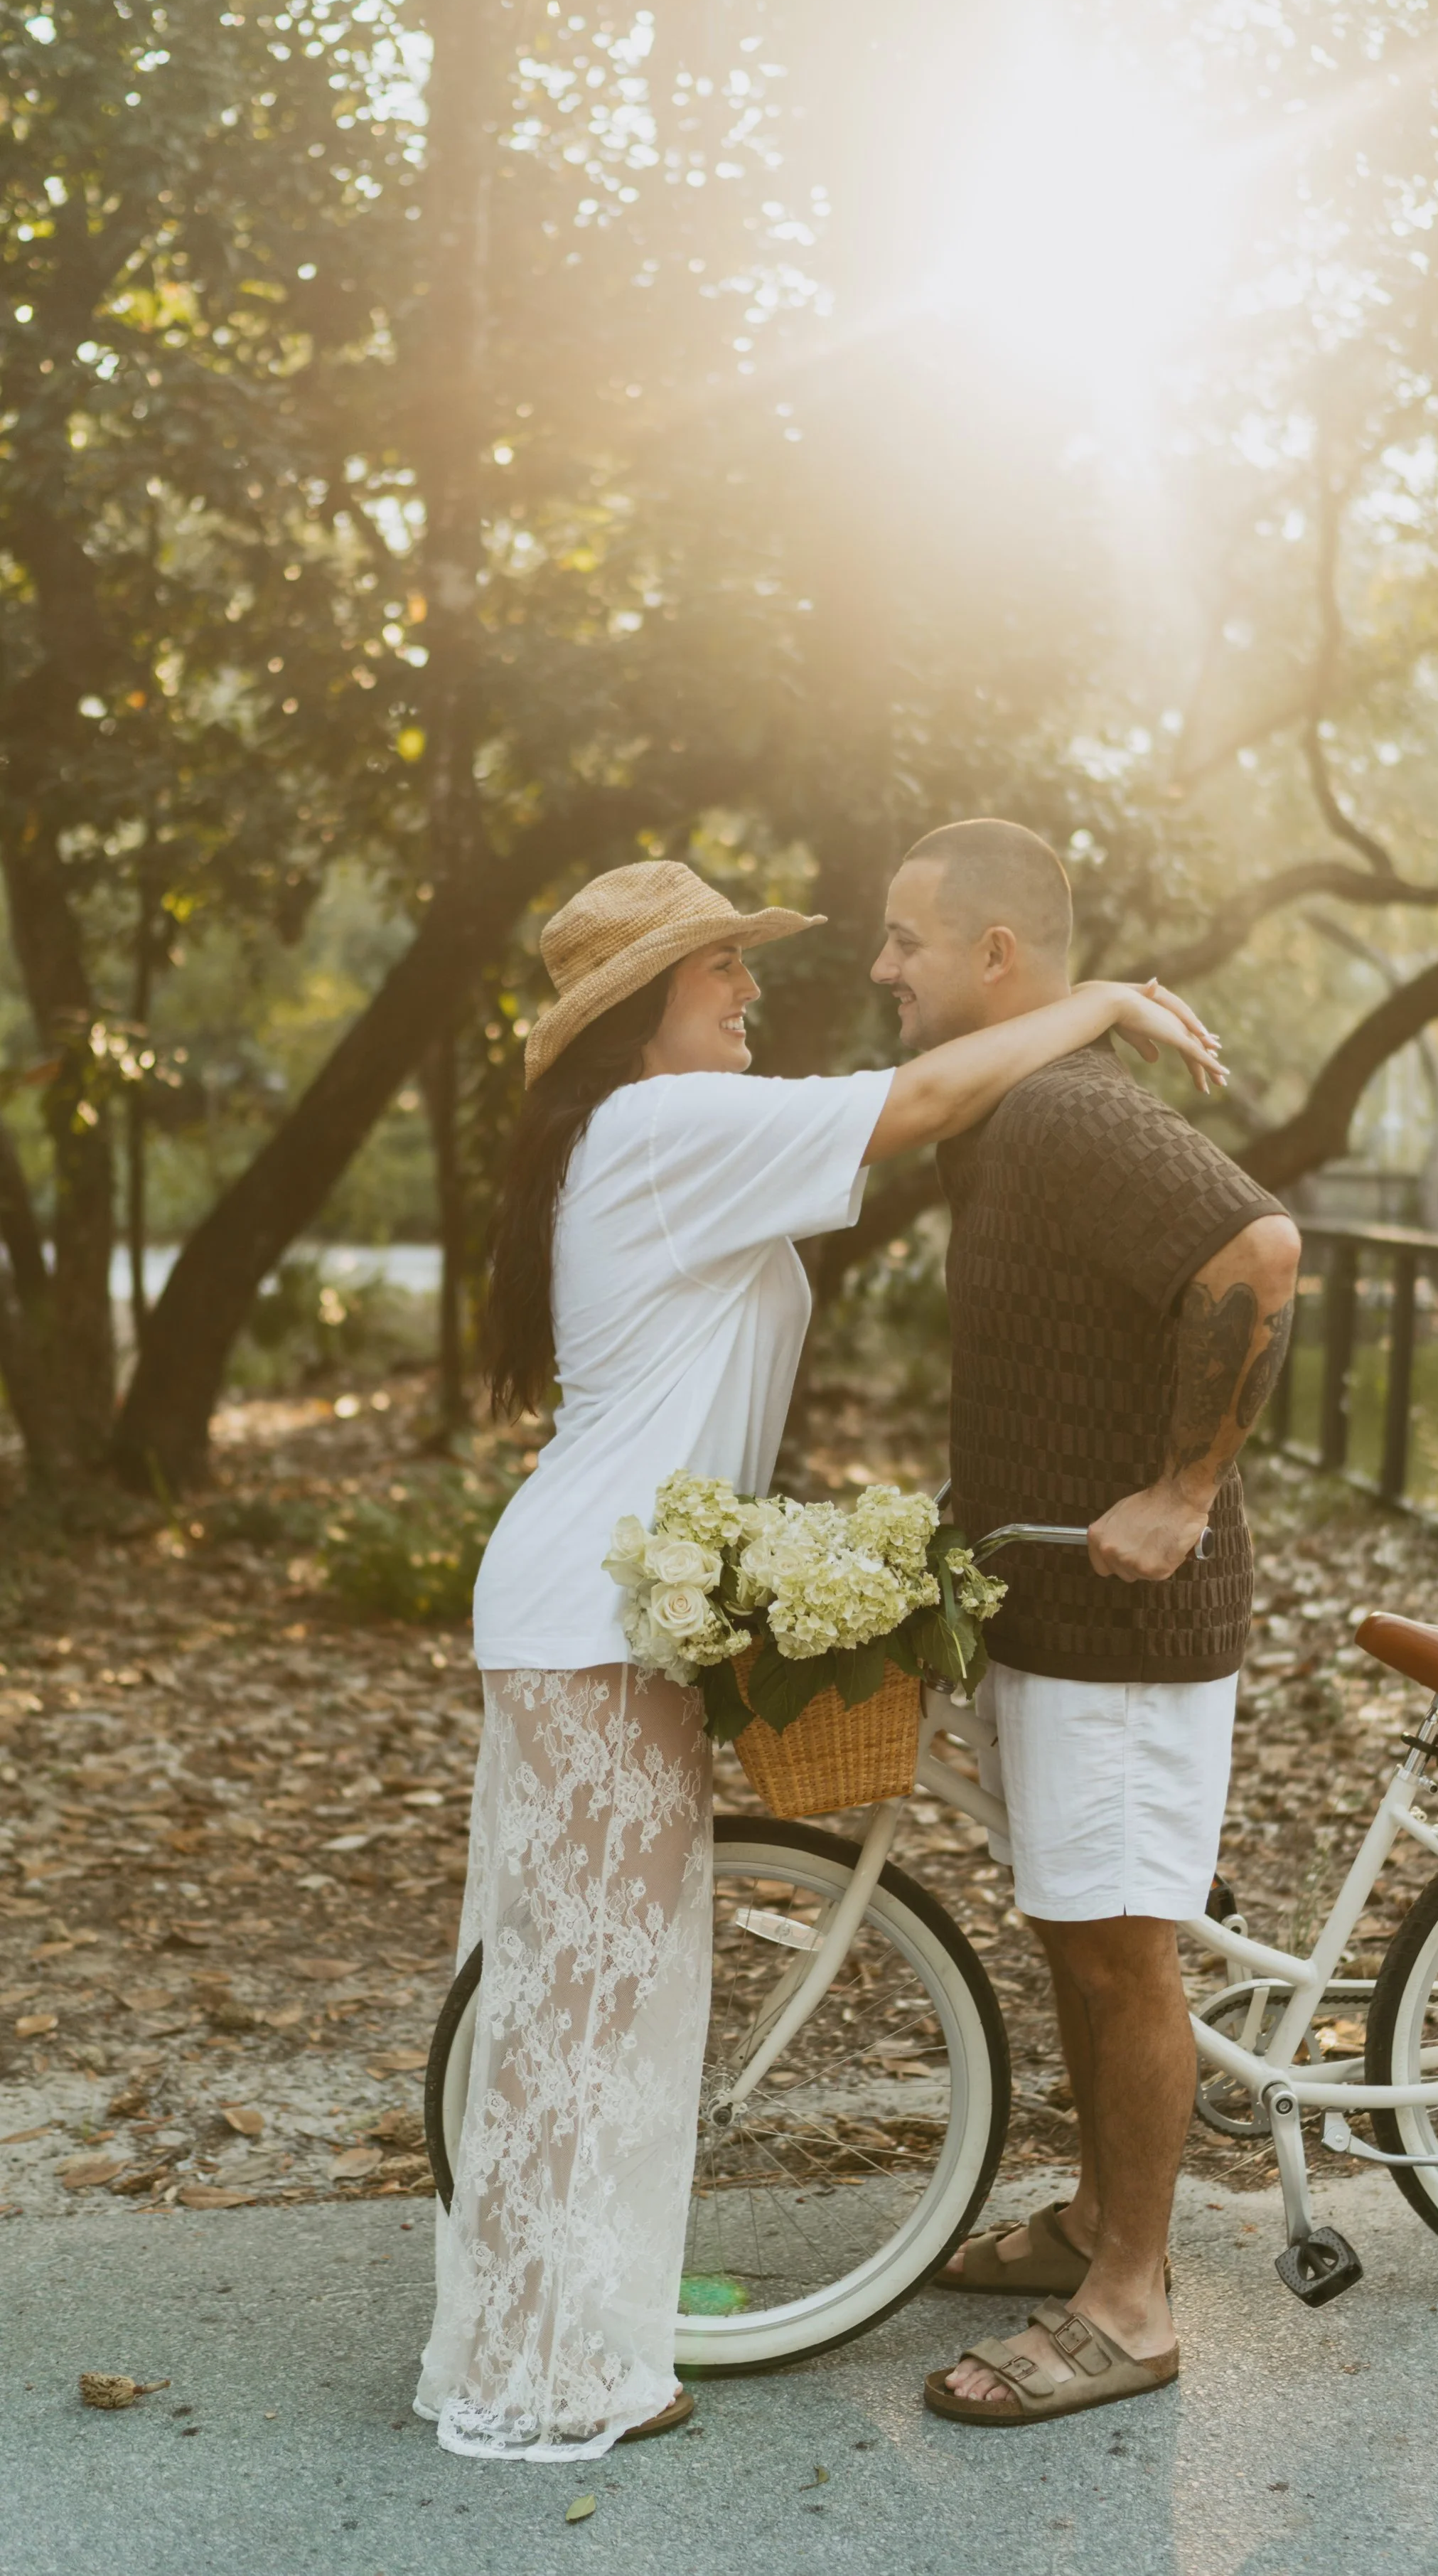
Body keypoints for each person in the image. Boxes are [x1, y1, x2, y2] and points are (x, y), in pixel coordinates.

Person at [413, 853, 1224, 2462]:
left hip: (600, 1610)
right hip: (587, 1613)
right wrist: (1101, 1003)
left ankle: (564, 2333)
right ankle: (542, 2373)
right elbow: (918, 1096)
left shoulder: (652, 1138)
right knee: (584, 2002)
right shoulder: (658, 1129)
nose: (748, 983)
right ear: (641, 1012)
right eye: (716, 967)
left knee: (597, 1992)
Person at [869, 818, 1301, 2427]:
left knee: (1120, 1954)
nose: (878, 969)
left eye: (903, 938)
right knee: (1075, 1924)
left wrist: (1183, 1492)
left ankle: (1132, 2299)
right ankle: (1093, 2224)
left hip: (1131, 1625)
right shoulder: (1004, 1117)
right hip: (1048, 1605)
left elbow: (1256, 1247)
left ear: (994, 954)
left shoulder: (1058, 1112)